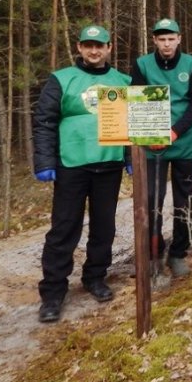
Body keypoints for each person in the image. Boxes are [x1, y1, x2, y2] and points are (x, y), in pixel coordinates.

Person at [33, 25, 132, 323]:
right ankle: (53, 292)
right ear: (79, 47)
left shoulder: (123, 81)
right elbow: (45, 121)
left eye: (99, 45)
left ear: (109, 48)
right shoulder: (61, 79)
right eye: (88, 45)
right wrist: (44, 161)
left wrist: (131, 157)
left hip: (108, 165)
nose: (94, 50)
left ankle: (95, 277)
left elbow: (133, 122)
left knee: (104, 226)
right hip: (71, 165)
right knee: (64, 228)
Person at [131, 18, 192, 278]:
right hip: (153, 142)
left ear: (179, 39)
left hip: (184, 141)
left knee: (184, 200)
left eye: (171, 39)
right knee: (152, 198)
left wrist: (175, 131)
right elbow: (137, 99)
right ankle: (154, 253)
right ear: (154, 40)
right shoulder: (142, 65)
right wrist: (153, 134)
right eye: (161, 39)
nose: (166, 44)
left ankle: (178, 253)